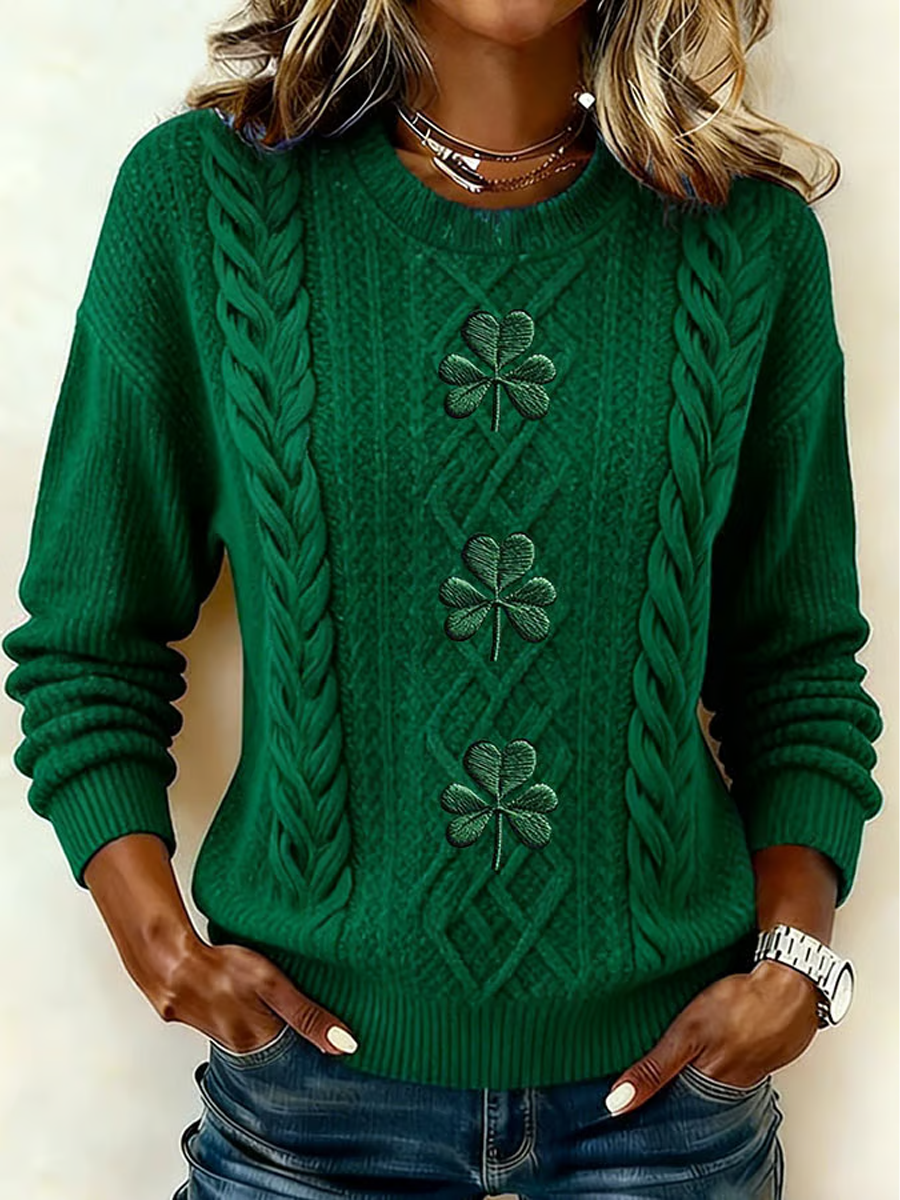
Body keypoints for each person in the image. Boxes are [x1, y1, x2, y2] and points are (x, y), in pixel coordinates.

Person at [2, 1, 884, 1197]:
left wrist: (795, 966)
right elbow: (88, 642)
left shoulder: (748, 243)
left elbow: (797, 670)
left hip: (668, 1116)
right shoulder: (204, 206)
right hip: (311, 1105)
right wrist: (157, 943)